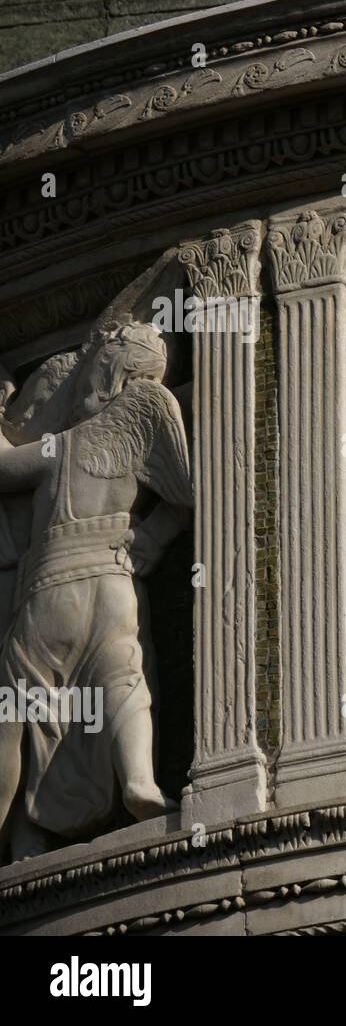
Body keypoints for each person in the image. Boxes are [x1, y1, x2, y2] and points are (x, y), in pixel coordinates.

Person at [0, 323, 192, 860]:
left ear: (107, 374)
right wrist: (154, 535)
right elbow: (187, 497)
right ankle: (140, 782)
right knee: (123, 675)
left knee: (19, 708)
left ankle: (17, 828)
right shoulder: (143, 424)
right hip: (113, 580)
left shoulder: (58, 447)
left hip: (50, 591)